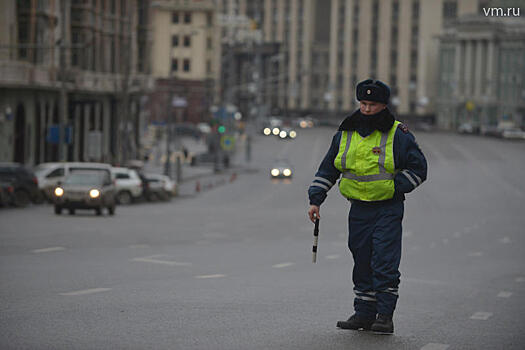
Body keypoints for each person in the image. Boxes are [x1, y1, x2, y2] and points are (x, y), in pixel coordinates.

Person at [307, 79, 427, 334]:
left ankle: (384, 316)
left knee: (383, 261)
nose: (367, 109)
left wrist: (396, 188)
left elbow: (419, 168)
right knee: (361, 260)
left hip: (387, 208)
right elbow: (329, 168)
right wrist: (316, 199)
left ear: (384, 105)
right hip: (358, 209)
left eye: (372, 104)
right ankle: (363, 314)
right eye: (363, 103)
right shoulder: (346, 132)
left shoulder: (398, 133)